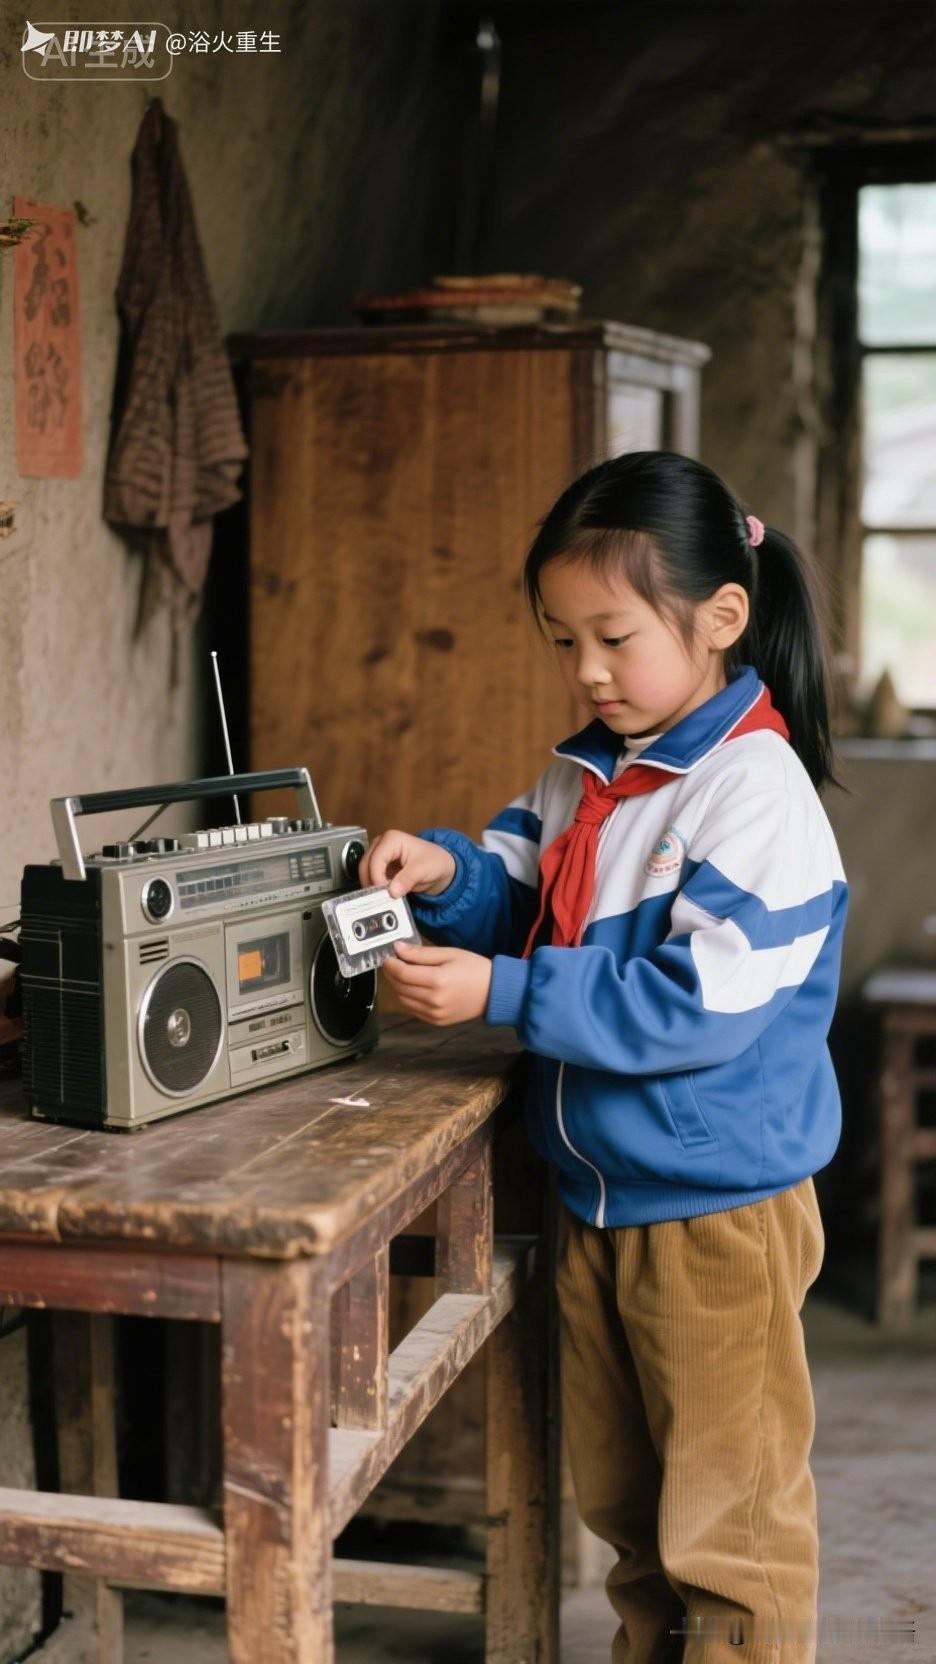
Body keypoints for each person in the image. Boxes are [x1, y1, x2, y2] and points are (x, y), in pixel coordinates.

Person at [358, 449, 850, 1663]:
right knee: (631, 1517)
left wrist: (502, 990)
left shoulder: (755, 791)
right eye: (563, 637)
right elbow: (519, 885)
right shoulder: (588, 769)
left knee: (729, 1532)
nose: (587, 669)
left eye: (615, 637)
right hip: (597, 1196)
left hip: (716, 1212)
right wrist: (445, 871)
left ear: (722, 617)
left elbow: (697, 1004)